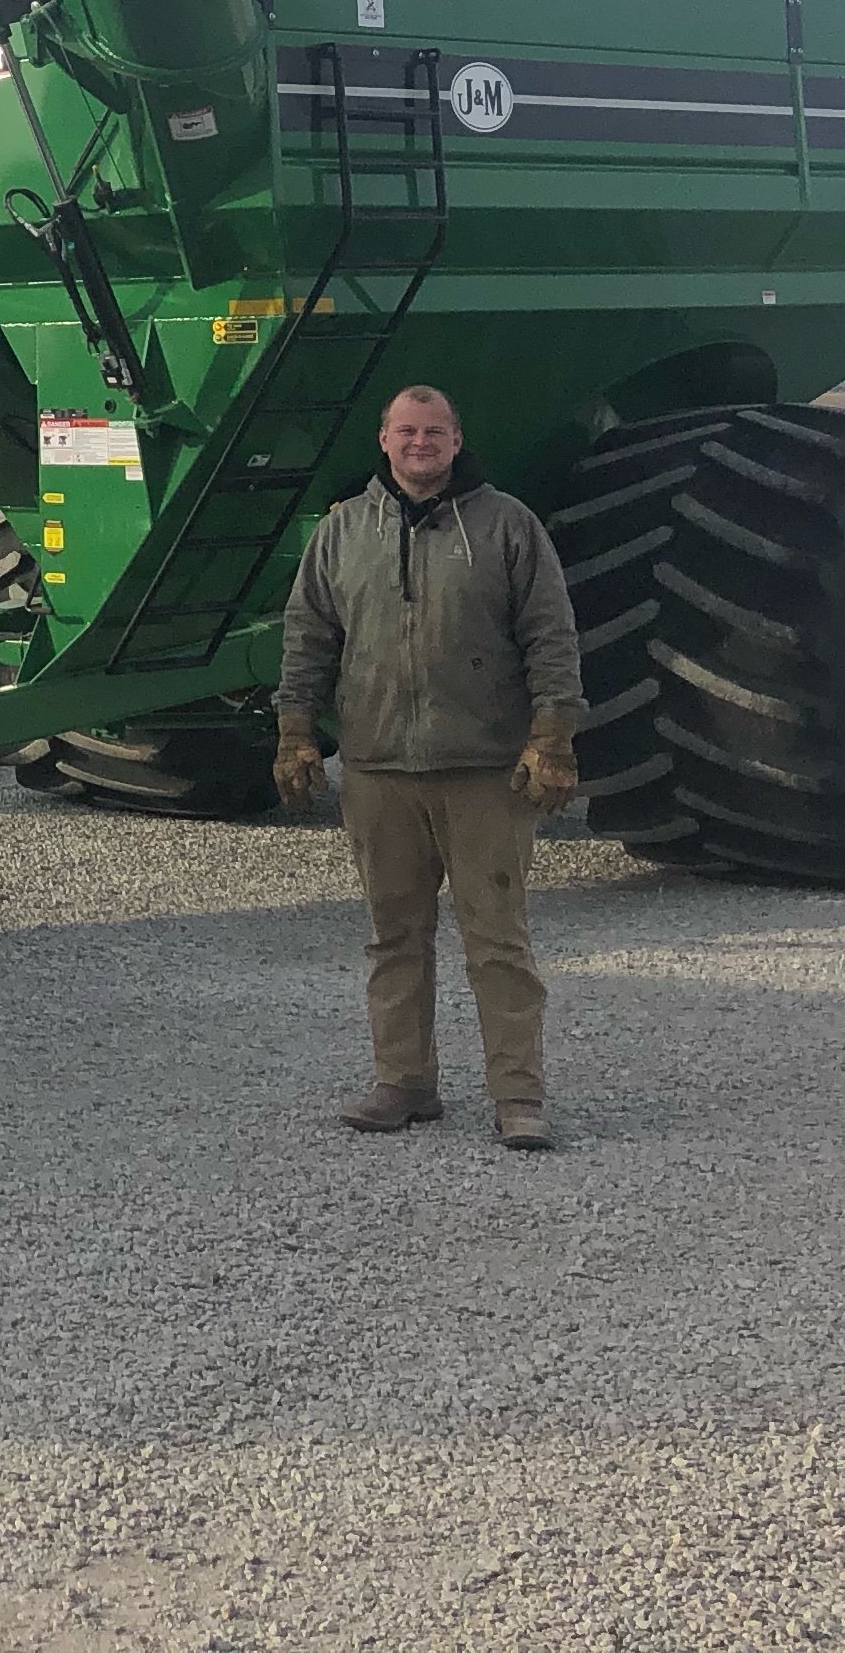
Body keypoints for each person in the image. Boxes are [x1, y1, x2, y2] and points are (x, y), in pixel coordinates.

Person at [271, 384, 582, 1150]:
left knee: (498, 943)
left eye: (433, 431)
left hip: (484, 772)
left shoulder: (510, 527)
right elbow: (307, 637)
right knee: (394, 938)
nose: (420, 444)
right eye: (406, 431)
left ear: (456, 437)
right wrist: (294, 731)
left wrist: (553, 736)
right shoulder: (343, 532)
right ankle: (403, 1084)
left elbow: (551, 637)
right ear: (383, 440)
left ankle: (518, 1098)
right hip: (378, 768)